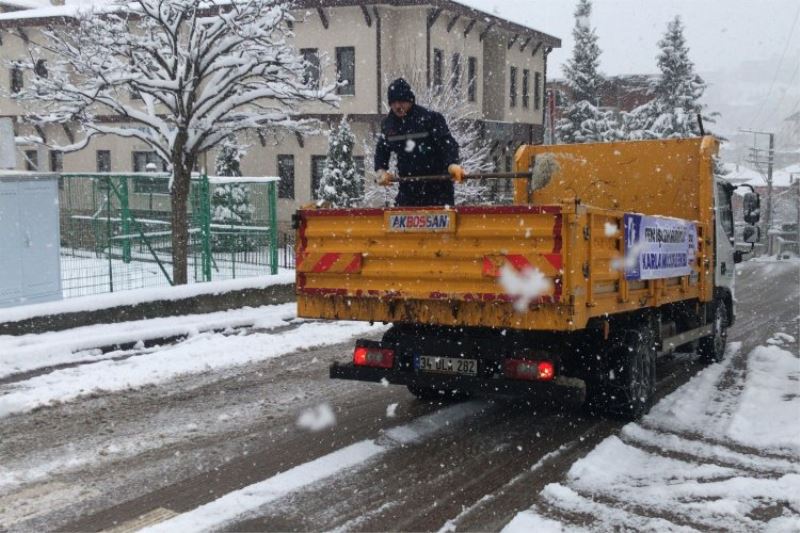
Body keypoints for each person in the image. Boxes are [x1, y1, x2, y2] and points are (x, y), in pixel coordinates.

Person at [374, 78, 465, 206]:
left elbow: (447, 144)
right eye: (393, 103)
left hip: (438, 188)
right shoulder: (389, 125)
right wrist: (380, 169)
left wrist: (452, 164)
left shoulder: (430, 119)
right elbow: (382, 149)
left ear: (410, 100)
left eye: (401, 101)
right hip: (408, 188)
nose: (397, 106)